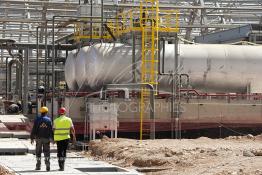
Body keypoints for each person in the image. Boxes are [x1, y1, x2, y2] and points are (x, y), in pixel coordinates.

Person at [30, 106, 53, 171]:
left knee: (38, 152)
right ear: (46, 112)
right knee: (47, 152)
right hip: (46, 138)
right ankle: (47, 165)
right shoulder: (48, 120)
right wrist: (52, 138)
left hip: (38, 138)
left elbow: (34, 129)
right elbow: (51, 130)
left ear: (41, 112)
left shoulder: (37, 119)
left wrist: (32, 138)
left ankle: (38, 166)